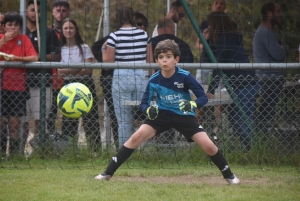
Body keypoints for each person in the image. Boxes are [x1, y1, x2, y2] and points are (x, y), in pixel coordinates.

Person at [95, 39, 240, 185]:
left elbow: (203, 97)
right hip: (161, 116)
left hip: (184, 116)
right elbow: (144, 104)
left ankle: (230, 176)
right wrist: (148, 110)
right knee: (135, 137)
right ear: (157, 61)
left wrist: (193, 104)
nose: (165, 60)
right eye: (161, 57)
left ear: (176, 59)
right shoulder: (154, 79)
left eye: (168, 56)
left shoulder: (185, 76)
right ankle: (107, 173)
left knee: (208, 145)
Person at [205, 12, 258, 152]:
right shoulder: (230, 39)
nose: (208, 27)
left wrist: (211, 90)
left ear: (216, 25)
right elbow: (212, 59)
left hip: (244, 84)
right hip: (246, 83)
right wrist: (208, 41)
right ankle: (252, 148)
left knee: (239, 119)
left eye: (210, 24)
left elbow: (218, 66)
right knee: (239, 118)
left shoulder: (225, 40)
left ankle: (253, 148)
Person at [102, 6, 152, 147]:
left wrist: (103, 48)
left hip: (121, 76)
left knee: (124, 121)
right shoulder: (143, 35)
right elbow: (150, 62)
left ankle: (126, 152)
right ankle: (146, 150)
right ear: (132, 18)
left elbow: (108, 64)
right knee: (146, 117)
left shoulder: (114, 36)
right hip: (142, 76)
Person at [58, 18, 101, 154]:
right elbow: (59, 72)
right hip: (68, 86)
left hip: (85, 84)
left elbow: (87, 70)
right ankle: (70, 150)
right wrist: (78, 67)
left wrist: (68, 70)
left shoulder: (84, 48)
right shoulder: (60, 49)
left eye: (71, 28)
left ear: (75, 30)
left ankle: (95, 150)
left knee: (90, 119)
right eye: (65, 28)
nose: (68, 30)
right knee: (69, 119)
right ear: (62, 31)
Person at [24, 0, 61, 152]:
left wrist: (39, 57)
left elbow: (57, 57)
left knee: (41, 120)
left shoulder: (49, 33)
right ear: (26, 11)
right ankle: (18, 151)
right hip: (21, 84)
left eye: (39, 11)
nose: (35, 13)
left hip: (42, 83)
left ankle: (38, 152)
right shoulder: (21, 32)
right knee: (22, 121)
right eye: (33, 10)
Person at [0, 12, 38, 157]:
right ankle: (2, 154)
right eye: (10, 25)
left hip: (18, 86)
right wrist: (3, 42)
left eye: (16, 25)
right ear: (4, 26)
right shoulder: (1, 38)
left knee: (15, 123)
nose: (13, 28)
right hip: (1, 86)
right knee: (1, 121)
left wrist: (17, 58)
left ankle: (15, 155)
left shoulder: (24, 39)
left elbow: (34, 57)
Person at [150, 17, 194, 143]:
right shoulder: (183, 45)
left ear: (158, 30)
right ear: (171, 28)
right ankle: (173, 142)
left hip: (157, 87)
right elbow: (190, 68)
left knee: (156, 115)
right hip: (180, 90)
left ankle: (159, 143)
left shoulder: (150, 43)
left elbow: (148, 67)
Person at [253, 2, 289, 132]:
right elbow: (279, 54)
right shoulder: (264, 33)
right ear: (269, 14)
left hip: (273, 79)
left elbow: (284, 49)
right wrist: (283, 49)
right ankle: (259, 136)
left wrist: (283, 48)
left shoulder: (269, 32)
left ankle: (261, 135)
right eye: (278, 11)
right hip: (269, 79)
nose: (280, 15)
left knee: (268, 112)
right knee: (266, 112)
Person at [195, 0, 227, 137]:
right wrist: (206, 40)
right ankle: (197, 130)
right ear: (212, 6)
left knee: (219, 100)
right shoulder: (205, 23)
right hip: (206, 65)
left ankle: (216, 132)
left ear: (225, 6)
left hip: (221, 65)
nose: (219, 5)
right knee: (200, 97)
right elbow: (198, 45)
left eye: (222, 3)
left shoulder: (227, 24)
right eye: (216, 3)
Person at [47, 0, 70, 137]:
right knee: (51, 111)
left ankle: (68, 140)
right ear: (52, 12)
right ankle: (49, 139)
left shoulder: (70, 30)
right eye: (57, 10)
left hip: (68, 77)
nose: (60, 14)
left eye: (64, 11)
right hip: (52, 77)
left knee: (68, 111)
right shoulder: (48, 31)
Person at [92, 35, 119, 150]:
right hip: (110, 81)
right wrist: (104, 49)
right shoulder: (113, 37)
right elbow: (96, 47)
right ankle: (120, 147)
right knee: (116, 116)